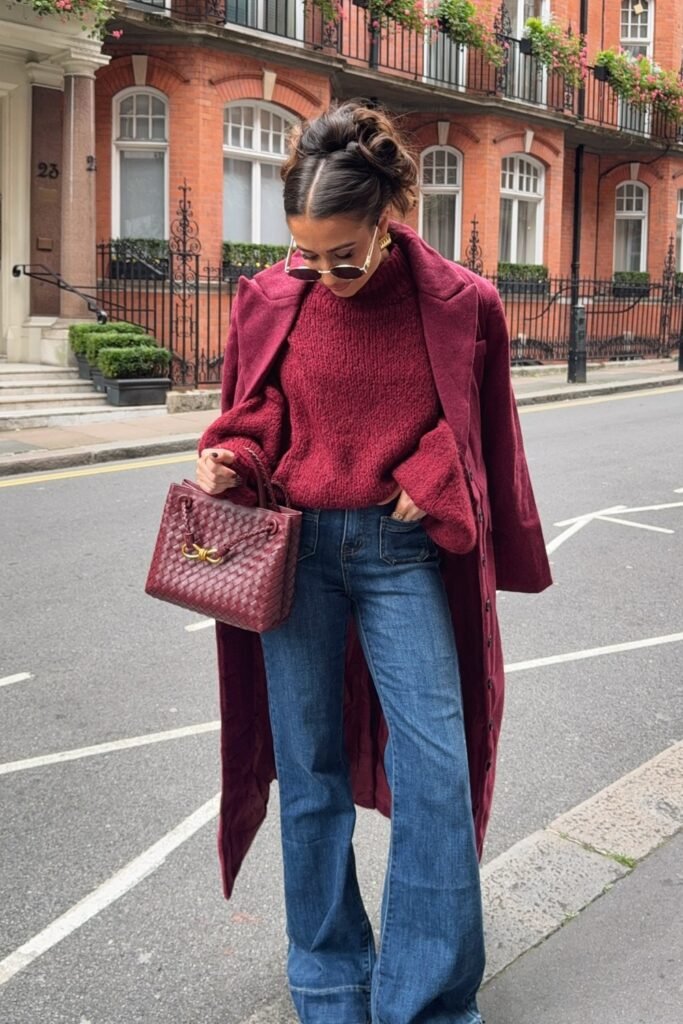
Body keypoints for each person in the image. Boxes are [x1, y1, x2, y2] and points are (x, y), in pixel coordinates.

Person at [195, 100, 553, 1024]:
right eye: (305, 253)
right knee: (307, 774)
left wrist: (431, 470)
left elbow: (476, 426)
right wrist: (235, 454)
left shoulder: (463, 301)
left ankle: (426, 1000)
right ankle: (327, 978)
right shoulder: (275, 293)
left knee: (435, 771)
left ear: (391, 215)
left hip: (401, 557)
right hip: (296, 550)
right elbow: (263, 411)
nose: (321, 271)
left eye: (341, 254)